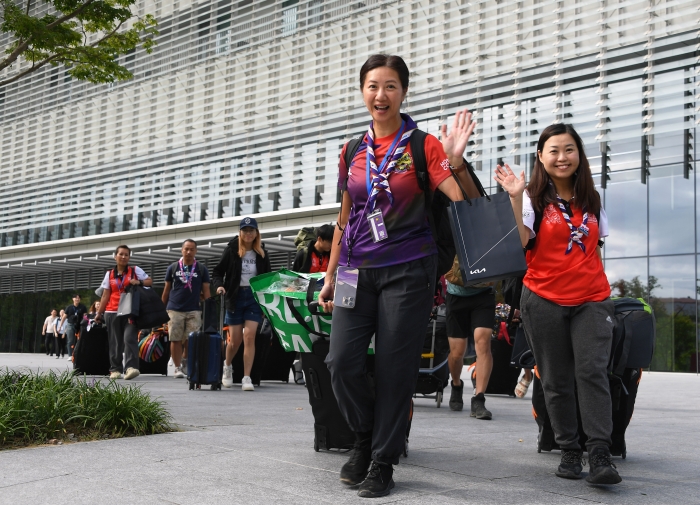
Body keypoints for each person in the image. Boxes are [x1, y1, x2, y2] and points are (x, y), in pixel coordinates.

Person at [317, 54, 481, 498]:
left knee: (394, 368)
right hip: (355, 270)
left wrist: (457, 162)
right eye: (372, 85)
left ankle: (383, 460)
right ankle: (367, 437)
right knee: (341, 362)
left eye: (390, 86)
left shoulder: (423, 145)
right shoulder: (351, 151)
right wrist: (330, 275)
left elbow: (463, 203)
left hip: (408, 270)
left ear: (403, 92)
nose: (381, 94)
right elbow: (344, 218)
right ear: (362, 92)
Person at [495, 123, 621, 484]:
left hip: (592, 300)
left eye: (569, 149)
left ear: (578, 155)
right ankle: (568, 449)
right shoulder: (533, 198)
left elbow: (594, 248)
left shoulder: (593, 200)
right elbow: (520, 244)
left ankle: (599, 452)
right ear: (541, 156)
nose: (561, 157)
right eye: (553, 150)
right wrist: (516, 197)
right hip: (544, 299)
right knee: (555, 377)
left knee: (592, 372)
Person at [212, 217, 272, 391]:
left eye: (251, 230)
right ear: (240, 232)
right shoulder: (231, 250)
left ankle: (247, 377)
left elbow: (267, 278)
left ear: (256, 233)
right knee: (235, 340)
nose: (248, 234)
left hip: (253, 297)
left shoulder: (262, 253)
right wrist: (219, 286)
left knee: (250, 337)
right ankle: (228, 367)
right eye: (245, 230)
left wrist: (266, 300)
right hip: (235, 297)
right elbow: (217, 271)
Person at [444, 263, 495, 419]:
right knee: (457, 352)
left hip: (484, 293)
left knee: (483, 343)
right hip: (456, 294)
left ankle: (479, 399)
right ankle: (457, 384)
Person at [94, 245, 152, 380]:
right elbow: (105, 295)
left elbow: (149, 281)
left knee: (129, 338)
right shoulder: (109, 274)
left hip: (130, 311)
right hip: (112, 311)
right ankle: (115, 369)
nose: (124, 257)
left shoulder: (135, 270)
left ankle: (131, 368)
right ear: (115, 256)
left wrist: (138, 281)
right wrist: (99, 313)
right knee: (115, 342)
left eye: (126, 254)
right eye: (121, 254)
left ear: (129, 257)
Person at [162, 239, 211, 379]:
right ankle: (177, 368)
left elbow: (206, 291)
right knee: (175, 339)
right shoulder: (173, 268)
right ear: (181, 250)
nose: (188, 252)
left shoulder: (201, 269)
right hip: (174, 309)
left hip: (194, 309)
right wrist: (161, 310)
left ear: (196, 251)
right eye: (186, 249)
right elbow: (166, 291)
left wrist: (209, 309)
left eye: (191, 249)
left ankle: (185, 361)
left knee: (192, 339)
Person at [60, 294, 87, 361]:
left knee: (80, 340)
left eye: (78, 298)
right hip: (70, 324)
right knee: (70, 340)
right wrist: (61, 325)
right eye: (76, 298)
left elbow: (85, 316)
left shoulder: (83, 307)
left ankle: (79, 354)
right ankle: (70, 355)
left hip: (80, 325)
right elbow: (64, 316)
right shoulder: (69, 307)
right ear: (73, 299)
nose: (77, 299)